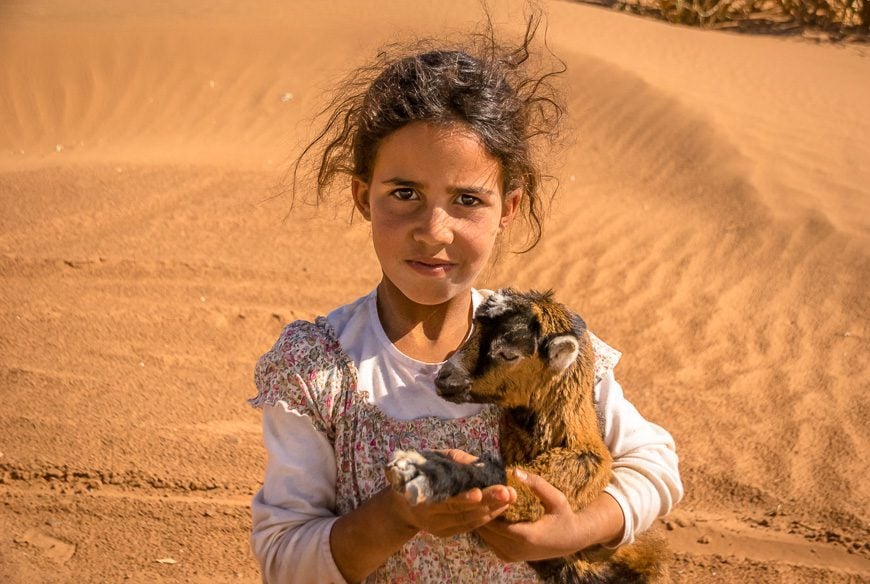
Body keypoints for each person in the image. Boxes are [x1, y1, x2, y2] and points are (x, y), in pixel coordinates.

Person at [249, 15, 683, 584]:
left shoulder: (540, 342)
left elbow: (656, 466)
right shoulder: (318, 369)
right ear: (362, 197)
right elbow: (285, 560)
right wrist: (397, 513)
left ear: (510, 207)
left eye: (467, 200)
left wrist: (574, 530)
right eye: (404, 193)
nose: (434, 230)